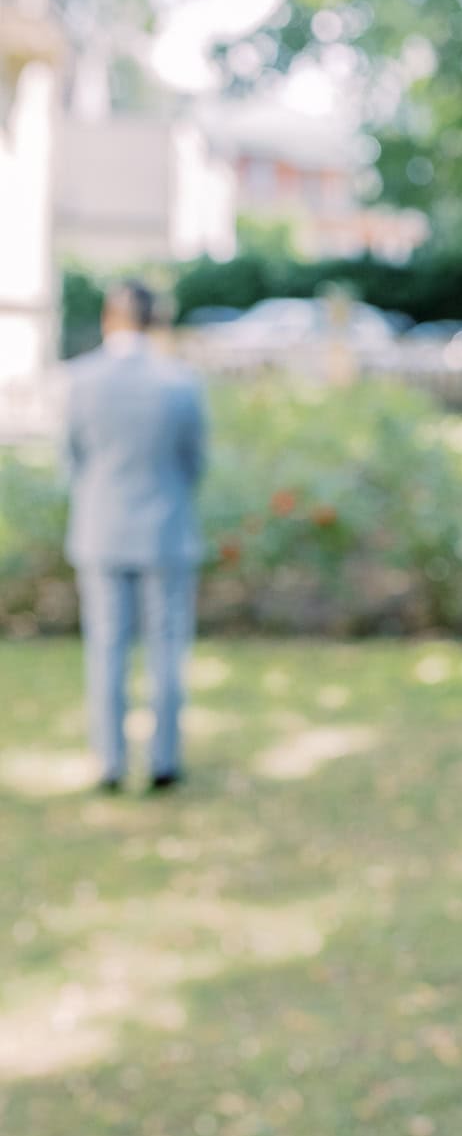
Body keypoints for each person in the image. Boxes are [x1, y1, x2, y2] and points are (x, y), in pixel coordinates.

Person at [63, 279, 208, 793]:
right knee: (167, 649)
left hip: (101, 530)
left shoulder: (81, 380)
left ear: (109, 317)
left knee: (106, 649)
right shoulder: (180, 382)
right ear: (154, 321)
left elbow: (73, 458)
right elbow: (194, 463)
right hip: (166, 531)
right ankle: (164, 761)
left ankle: (110, 762)